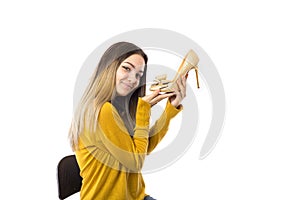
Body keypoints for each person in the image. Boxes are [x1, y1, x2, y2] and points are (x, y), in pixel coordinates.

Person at [69, 42, 187, 200]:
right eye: (127, 68)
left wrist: (169, 111)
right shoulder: (102, 110)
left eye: (139, 74)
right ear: (109, 67)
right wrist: (143, 110)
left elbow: (141, 150)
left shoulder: (116, 109)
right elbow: (135, 163)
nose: (133, 79)